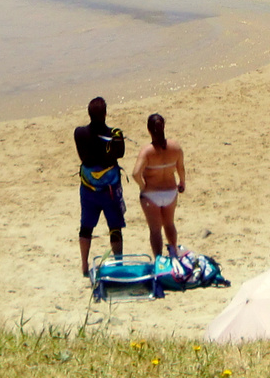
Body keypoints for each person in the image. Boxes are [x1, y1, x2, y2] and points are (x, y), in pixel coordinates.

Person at [75, 96, 126, 275]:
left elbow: (84, 157)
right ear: (105, 114)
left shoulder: (79, 133)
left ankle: (84, 265)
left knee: (86, 227)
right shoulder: (115, 135)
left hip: (89, 189)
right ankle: (118, 263)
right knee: (115, 227)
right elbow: (120, 153)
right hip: (110, 190)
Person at [132, 113, 186, 259]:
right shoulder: (175, 147)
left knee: (155, 230)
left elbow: (136, 173)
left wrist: (142, 186)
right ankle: (174, 251)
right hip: (170, 192)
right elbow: (181, 168)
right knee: (169, 224)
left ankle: (158, 259)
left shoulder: (147, 151)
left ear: (149, 130)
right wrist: (182, 182)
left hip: (151, 194)